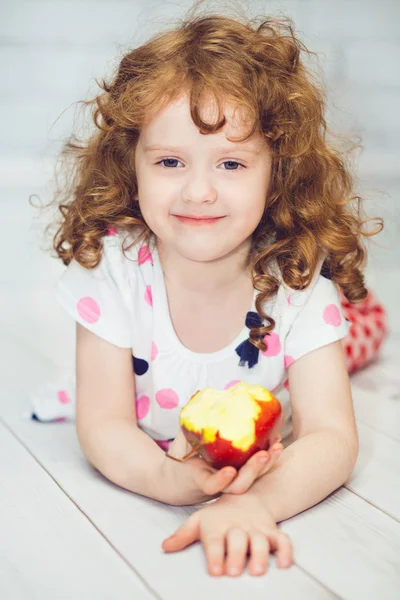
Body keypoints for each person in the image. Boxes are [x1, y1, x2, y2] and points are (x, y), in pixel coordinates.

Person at [29, 6, 388, 578]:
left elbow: (331, 436)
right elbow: (104, 424)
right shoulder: (116, 269)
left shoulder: (296, 276)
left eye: (230, 163)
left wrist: (254, 502)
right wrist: (168, 480)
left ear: (279, 172)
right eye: (170, 161)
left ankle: (364, 320)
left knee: (355, 336)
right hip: (147, 407)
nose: (198, 191)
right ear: (132, 167)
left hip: (282, 336)